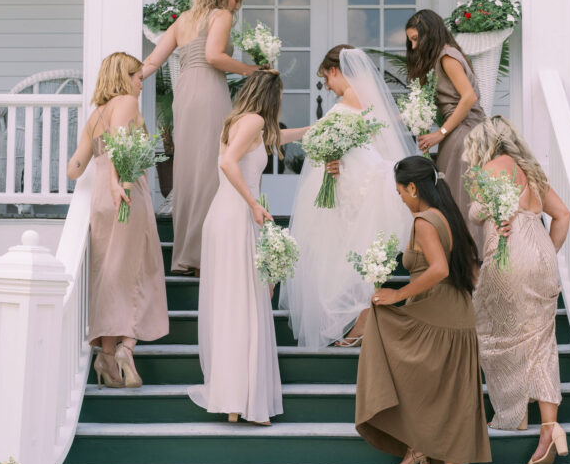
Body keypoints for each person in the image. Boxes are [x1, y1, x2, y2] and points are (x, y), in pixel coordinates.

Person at [355, 155, 490, 464]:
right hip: (455, 315)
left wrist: (398, 296)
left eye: (400, 191)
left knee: (381, 322)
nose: (400, 198)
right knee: (447, 398)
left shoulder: (423, 220)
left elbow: (440, 269)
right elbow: (470, 272)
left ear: (413, 188)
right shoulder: (448, 216)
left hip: (441, 316)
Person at [189, 70, 307, 425]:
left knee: (235, 303)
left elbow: (278, 137)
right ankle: (239, 398)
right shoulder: (253, 120)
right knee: (243, 302)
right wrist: (253, 204)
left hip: (226, 215)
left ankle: (234, 400)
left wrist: (316, 129)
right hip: (237, 214)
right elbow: (227, 164)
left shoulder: (244, 122)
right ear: (271, 95)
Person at [281, 45, 417, 350]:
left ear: (335, 70)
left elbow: (372, 139)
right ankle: (360, 317)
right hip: (344, 177)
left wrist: (337, 156)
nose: (327, 86)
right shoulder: (364, 100)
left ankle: (363, 318)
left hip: (356, 179)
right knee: (344, 248)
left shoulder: (353, 100)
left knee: (351, 247)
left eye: (327, 78)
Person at [464, 116, 570, 464]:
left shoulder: (490, 168)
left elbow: (483, 212)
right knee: (543, 342)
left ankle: (511, 411)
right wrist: (545, 255)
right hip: (541, 253)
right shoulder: (531, 171)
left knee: (491, 333)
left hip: (510, 252)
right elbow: (563, 215)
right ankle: (549, 429)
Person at [142, 0, 260, 276]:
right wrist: (250, 70)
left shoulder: (183, 20)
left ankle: (184, 255)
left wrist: (127, 80)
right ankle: (203, 256)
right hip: (208, 92)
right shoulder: (220, 16)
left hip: (185, 93)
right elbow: (213, 56)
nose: (236, 6)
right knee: (211, 168)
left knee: (188, 170)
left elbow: (153, 61)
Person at [67, 51, 168, 389]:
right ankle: (127, 346)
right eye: (138, 76)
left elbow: (74, 168)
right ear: (124, 78)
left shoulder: (95, 116)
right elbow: (118, 145)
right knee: (141, 270)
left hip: (101, 202)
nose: (141, 83)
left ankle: (106, 358)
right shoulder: (125, 101)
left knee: (110, 275)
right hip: (125, 192)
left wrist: (96, 171)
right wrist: (116, 180)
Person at [405, 9, 485, 244]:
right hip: (457, 132)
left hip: (464, 133)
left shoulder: (447, 57)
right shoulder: (443, 57)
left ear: (429, 34)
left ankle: (468, 264)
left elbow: (469, 97)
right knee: (455, 201)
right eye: (410, 40)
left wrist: (439, 134)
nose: (412, 47)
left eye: (416, 39)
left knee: (460, 203)